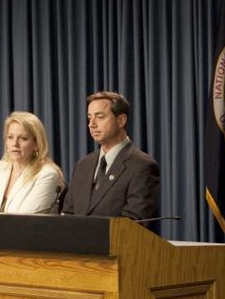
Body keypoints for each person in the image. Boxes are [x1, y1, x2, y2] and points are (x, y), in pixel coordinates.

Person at [62, 91, 160, 220]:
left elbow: (134, 223)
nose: (91, 124)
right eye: (89, 117)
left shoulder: (142, 166)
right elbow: (68, 214)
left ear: (121, 120)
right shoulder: (83, 165)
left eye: (100, 117)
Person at [0, 111, 63, 214]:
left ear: (36, 144)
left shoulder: (47, 174)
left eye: (23, 138)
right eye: (10, 137)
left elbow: (24, 219)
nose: (14, 143)